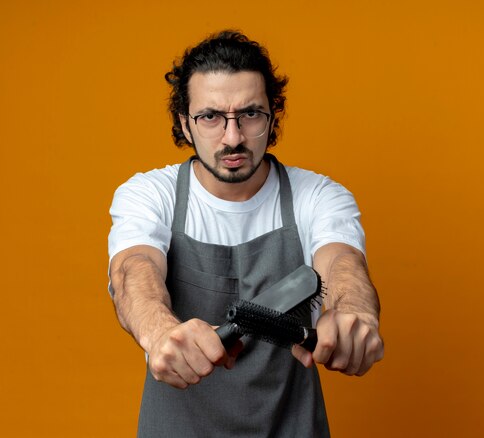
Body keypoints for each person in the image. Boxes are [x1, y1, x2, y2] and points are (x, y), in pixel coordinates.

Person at [107, 30, 384, 438]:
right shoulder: (149, 194)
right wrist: (159, 331)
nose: (232, 137)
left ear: (273, 116)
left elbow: (344, 264)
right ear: (185, 123)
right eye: (211, 117)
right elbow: (134, 271)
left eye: (250, 114)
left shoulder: (319, 195)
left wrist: (353, 313)